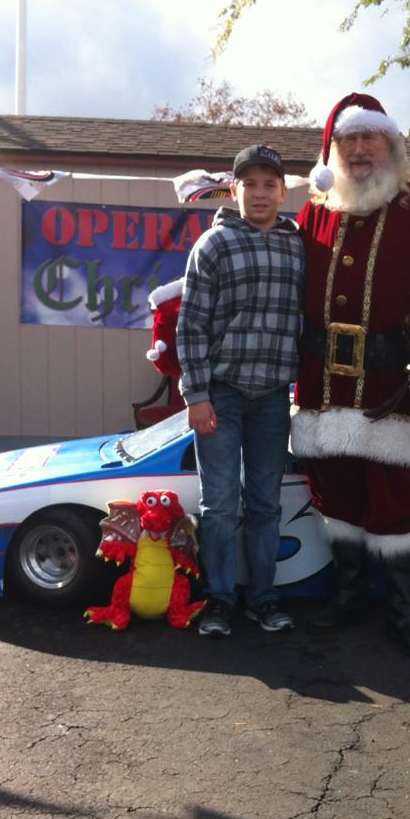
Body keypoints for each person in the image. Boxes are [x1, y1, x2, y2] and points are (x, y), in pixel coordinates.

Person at [294, 93, 410, 662]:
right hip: (326, 389)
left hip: (393, 388)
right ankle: (350, 598)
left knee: (399, 503)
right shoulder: (314, 213)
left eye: (369, 137)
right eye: (347, 140)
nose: (358, 149)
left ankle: (402, 614)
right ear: (332, 152)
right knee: (337, 495)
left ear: (391, 144)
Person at [177, 144, 305, 638]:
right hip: (222, 395)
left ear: (282, 190)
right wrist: (197, 395)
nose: (259, 193)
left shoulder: (297, 247)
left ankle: (264, 598)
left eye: (269, 184)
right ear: (234, 190)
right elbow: (191, 326)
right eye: (249, 184)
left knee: (266, 504)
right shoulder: (213, 245)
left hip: (273, 395)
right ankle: (220, 599)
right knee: (221, 505)